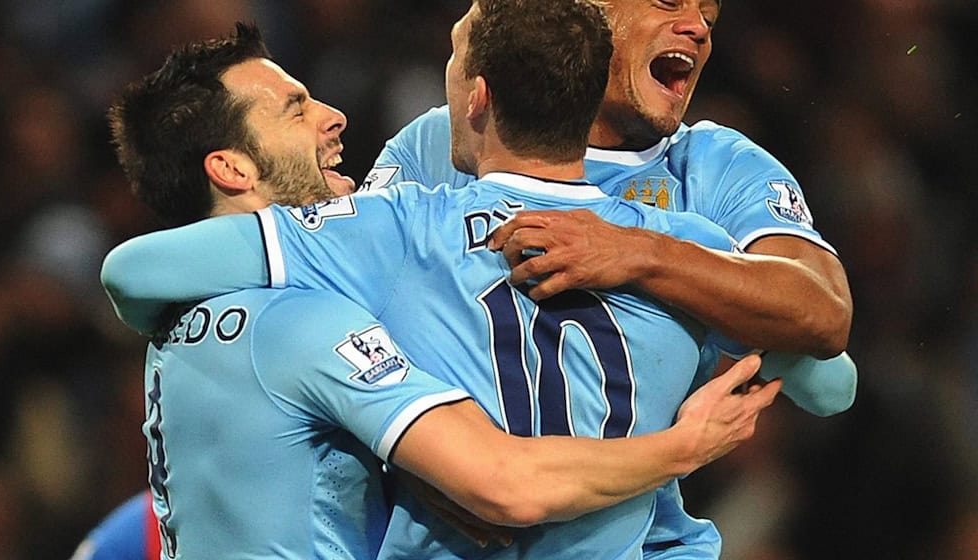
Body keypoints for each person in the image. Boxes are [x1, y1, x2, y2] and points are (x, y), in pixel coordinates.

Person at [101, 2, 782, 558]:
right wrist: (683, 445)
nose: (333, 117)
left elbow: (126, 271)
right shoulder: (307, 322)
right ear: (232, 169)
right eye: (294, 108)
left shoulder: (183, 322)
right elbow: (504, 484)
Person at [363, 2, 858, 555]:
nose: (697, 27)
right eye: (668, 1)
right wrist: (429, 457)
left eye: (709, 17)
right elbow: (332, 313)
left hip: (639, 540)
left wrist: (639, 252)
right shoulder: (453, 136)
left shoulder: (716, 166)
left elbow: (822, 313)